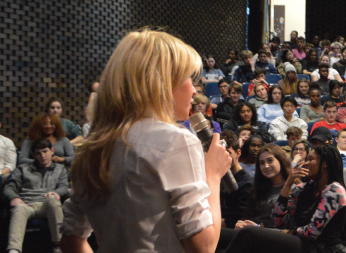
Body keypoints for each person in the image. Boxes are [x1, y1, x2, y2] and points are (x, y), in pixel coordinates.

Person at [59, 29, 232, 252]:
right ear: (161, 83)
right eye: (188, 78)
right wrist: (213, 175)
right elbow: (203, 246)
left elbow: (71, 240)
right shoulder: (175, 141)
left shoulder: (91, 148)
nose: (193, 89)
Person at [222, 145, 346, 252]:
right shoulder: (303, 188)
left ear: (325, 163)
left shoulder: (334, 191)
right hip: (299, 242)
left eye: (311, 159)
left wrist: (279, 231)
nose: (306, 164)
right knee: (224, 234)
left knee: (249, 234)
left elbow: (311, 233)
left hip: (320, 248)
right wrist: (288, 183)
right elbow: (277, 221)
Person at [6, 139, 68, 252]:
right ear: (33, 155)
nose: (42, 156)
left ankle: (59, 246)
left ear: (52, 151)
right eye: (38, 153)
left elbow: (64, 186)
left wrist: (57, 193)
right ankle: (14, 250)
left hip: (46, 203)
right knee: (19, 208)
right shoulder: (23, 169)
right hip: (26, 204)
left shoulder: (60, 169)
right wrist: (14, 198)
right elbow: (9, 187)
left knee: (53, 200)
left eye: (45, 151)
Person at [236, 144, 291, 229]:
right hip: (249, 234)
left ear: (281, 160)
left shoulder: (292, 189)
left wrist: (259, 228)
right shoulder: (257, 189)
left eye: (270, 161)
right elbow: (246, 216)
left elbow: (287, 227)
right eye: (262, 163)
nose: (266, 166)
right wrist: (240, 224)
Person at [218, 131, 255, 229]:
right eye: (219, 153)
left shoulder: (247, 183)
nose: (223, 157)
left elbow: (234, 221)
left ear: (238, 153)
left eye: (228, 153)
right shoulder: (216, 177)